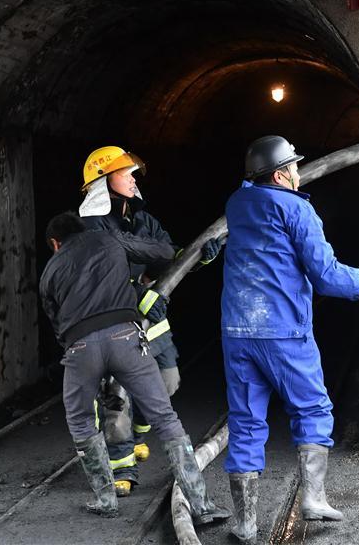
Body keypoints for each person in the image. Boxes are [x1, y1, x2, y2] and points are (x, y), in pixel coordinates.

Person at [220, 135, 359, 543]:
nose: (299, 172)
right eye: (293, 166)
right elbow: (325, 275)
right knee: (312, 407)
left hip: (238, 330)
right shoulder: (297, 209)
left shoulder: (236, 204)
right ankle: (313, 499)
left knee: (245, 421)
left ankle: (244, 523)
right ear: (280, 175)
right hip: (282, 331)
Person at [39, 211, 230, 523]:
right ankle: (202, 505)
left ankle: (105, 499)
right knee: (165, 417)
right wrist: (194, 257)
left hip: (80, 347)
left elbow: (57, 324)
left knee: (81, 422)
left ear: (55, 243)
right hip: (126, 338)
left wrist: (79, 353)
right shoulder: (109, 238)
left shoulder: (49, 271)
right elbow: (161, 253)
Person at [78, 146, 223, 497]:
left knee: (168, 382)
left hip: (152, 325)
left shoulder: (144, 220)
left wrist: (196, 259)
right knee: (117, 399)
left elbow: (165, 258)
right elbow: (96, 280)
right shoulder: (90, 227)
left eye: (131, 172)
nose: (132, 178)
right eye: (124, 172)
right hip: (112, 323)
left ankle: (140, 434)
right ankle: (121, 469)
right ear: (102, 181)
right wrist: (137, 296)